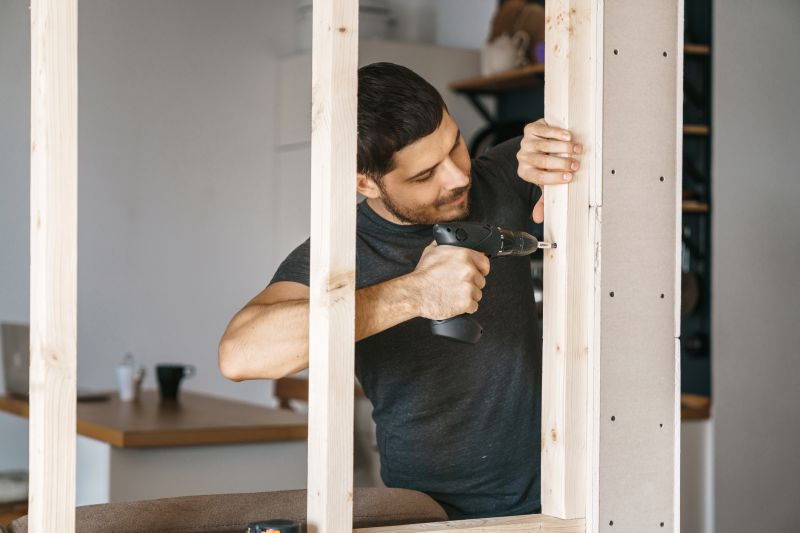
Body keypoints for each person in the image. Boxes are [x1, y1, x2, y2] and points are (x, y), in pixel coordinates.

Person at [218, 62, 582, 519]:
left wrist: (557, 146)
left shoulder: (504, 179)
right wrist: (413, 294)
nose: (457, 177)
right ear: (363, 180)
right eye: (424, 174)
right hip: (428, 510)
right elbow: (240, 355)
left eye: (455, 145)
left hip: (563, 491)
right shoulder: (343, 253)